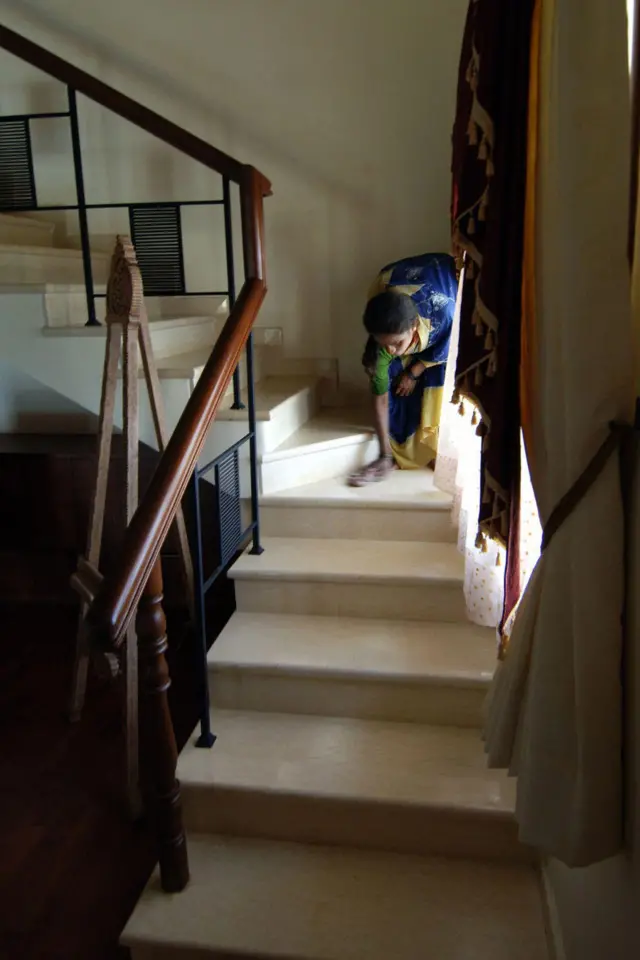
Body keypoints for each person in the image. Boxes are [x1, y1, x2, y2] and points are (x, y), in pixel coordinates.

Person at [348, 252, 457, 486]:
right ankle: (396, 453)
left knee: (436, 380)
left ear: (414, 327)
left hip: (442, 276)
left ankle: (433, 449)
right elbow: (380, 398)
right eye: (384, 343)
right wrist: (384, 455)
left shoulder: (444, 317)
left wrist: (414, 371)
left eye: (397, 343)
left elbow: (448, 345)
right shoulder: (380, 307)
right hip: (393, 279)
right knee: (385, 373)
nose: (392, 350)